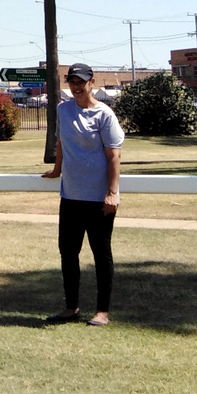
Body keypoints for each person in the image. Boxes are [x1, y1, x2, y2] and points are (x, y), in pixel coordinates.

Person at [41, 62, 123, 326]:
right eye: (72, 82)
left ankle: (102, 311)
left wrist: (112, 193)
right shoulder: (62, 110)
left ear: (92, 83)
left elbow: (114, 156)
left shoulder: (104, 115)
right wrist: (56, 170)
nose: (76, 87)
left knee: (101, 254)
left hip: (99, 200)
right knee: (68, 252)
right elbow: (62, 141)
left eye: (81, 82)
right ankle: (70, 307)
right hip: (71, 197)